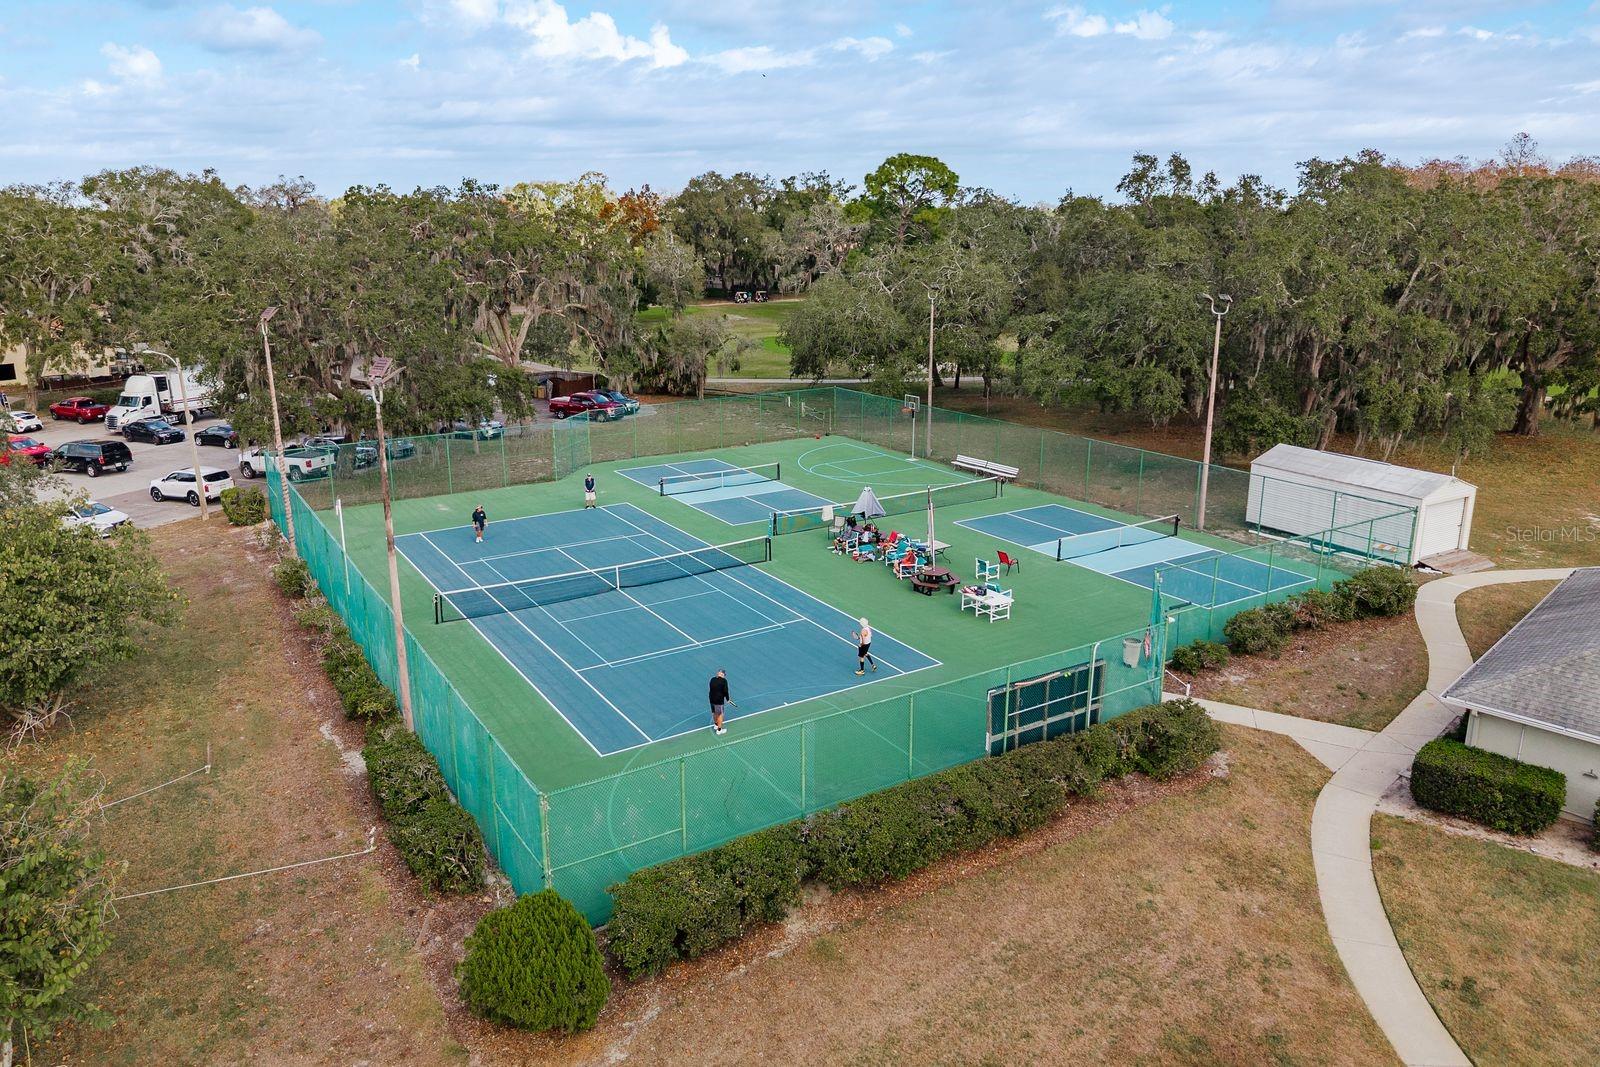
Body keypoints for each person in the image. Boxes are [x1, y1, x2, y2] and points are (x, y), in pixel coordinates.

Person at [708, 668, 736, 735]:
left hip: (711, 699)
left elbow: (713, 688)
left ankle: (716, 725)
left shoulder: (712, 679)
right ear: (722, 674)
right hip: (719, 701)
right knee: (720, 714)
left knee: (714, 712)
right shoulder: (724, 681)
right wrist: (728, 699)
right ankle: (719, 730)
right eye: (724, 675)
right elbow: (725, 691)